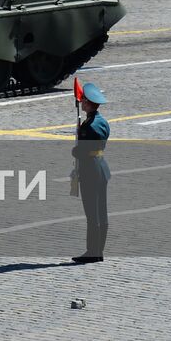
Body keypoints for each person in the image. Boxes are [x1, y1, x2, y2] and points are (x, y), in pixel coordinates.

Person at [71, 82, 110, 264]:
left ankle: (92, 251)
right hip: (101, 167)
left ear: (88, 103)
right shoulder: (102, 122)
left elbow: (82, 152)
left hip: (90, 171)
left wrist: (76, 148)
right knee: (101, 211)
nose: (82, 103)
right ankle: (98, 250)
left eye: (83, 100)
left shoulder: (88, 127)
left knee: (92, 214)